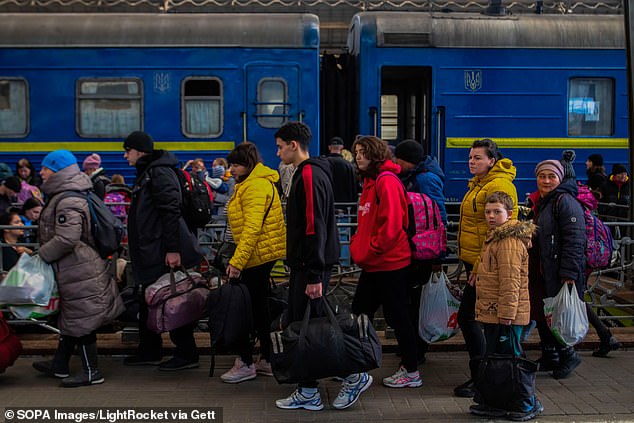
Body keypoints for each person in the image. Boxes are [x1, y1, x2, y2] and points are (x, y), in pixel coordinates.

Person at [274, 122, 371, 411]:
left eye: (280, 147)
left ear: (294, 145)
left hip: (310, 265)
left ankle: (340, 379)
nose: (278, 153)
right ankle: (312, 386)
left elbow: (312, 226)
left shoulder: (308, 175)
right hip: (311, 263)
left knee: (308, 326)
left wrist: (314, 273)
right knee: (310, 324)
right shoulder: (316, 172)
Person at [31, 149, 123, 387]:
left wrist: (40, 256)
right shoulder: (68, 194)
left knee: (82, 320)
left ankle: (91, 372)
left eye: (45, 168)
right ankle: (60, 365)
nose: (41, 172)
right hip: (76, 268)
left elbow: (67, 238)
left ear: (58, 170)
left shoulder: (68, 200)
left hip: (80, 269)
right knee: (72, 317)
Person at [122, 131, 204, 371]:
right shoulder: (150, 172)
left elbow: (170, 212)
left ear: (139, 151)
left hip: (160, 250)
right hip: (150, 250)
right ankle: (150, 349)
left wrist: (172, 249)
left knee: (173, 296)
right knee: (149, 299)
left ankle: (186, 352)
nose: (125, 155)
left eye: (128, 151)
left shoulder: (158, 173)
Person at [350, 135, 422, 389]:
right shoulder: (373, 181)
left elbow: (391, 225)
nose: (357, 156)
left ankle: (411, 371)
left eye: (363, 152)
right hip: (377, 262)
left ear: (376, 155)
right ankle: (355, 365)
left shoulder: (385, 181)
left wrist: (371, 248)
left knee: (397, 316)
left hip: (389, 262)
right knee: (361, 312)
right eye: (356, 152)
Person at [469, 191, 542, 421]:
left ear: (509, 214)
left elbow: (511, 282)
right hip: (494, 311)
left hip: (505, 313)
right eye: (488, 212)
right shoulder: (495, 237)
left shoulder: (508, 242)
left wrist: (507, 314)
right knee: (499, 359)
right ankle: (498, 401)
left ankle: (527, 403)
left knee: (513, 359)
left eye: (497, 212)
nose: (491, 216)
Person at [455, 139, 518, 398]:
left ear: (492, 160)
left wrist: (479, 266)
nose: (472, 161)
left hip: (487, 266)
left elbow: (499, 231)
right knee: (479, 320)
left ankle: (483, 377)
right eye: (470, 157)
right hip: (476, 263)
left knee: (469, 318)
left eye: (478, 158)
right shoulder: (478, 184)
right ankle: (485, 376)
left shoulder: (499, 185)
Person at [219, 142, 286, 383]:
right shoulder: (252, 183)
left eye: (235, 165)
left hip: (255, 257)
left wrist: (237, 262)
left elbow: (251, 229)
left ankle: (246, 362)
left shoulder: (255, 186)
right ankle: (267, 359)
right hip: (260, 254)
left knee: (245, 310)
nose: (231, 169)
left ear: (248, 164)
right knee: (259, 309)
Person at [558, 152, 621, 359]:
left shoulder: (568, 200)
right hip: (586, 256)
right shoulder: (580, 197)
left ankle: (572, 344)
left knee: (574, 299)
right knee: (577, 298)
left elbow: (573, 234)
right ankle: (605, 337)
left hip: (577, 258)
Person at [528, 159, 585, 379]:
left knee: (557, 314)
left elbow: (575, 239)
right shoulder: (542, 201)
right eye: (542, 176)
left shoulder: (564, 202)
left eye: (551, 177)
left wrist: (569, 273)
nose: (546, 180)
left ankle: (568, 354)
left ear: (560, 179)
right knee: (544, 313)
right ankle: (550, 354)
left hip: (559, 270)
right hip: (544, 269)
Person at [393, 139, 447, 365]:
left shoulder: (424, 179)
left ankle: (418, 348)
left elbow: (438, 215)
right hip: (416, 246)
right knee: (412, 301)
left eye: (399, 159)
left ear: (408, 161)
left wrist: (437, 256)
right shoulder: (416, 176)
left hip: (423, 250)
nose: (396, 163)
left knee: (415, 302)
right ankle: (414, 345)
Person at [324, 136, 359, 206]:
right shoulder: (349, 166)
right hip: (346, 209)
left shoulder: (323, 164)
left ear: (329, 147)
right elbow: (354, 188)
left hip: (327, 207)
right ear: (342, 148)